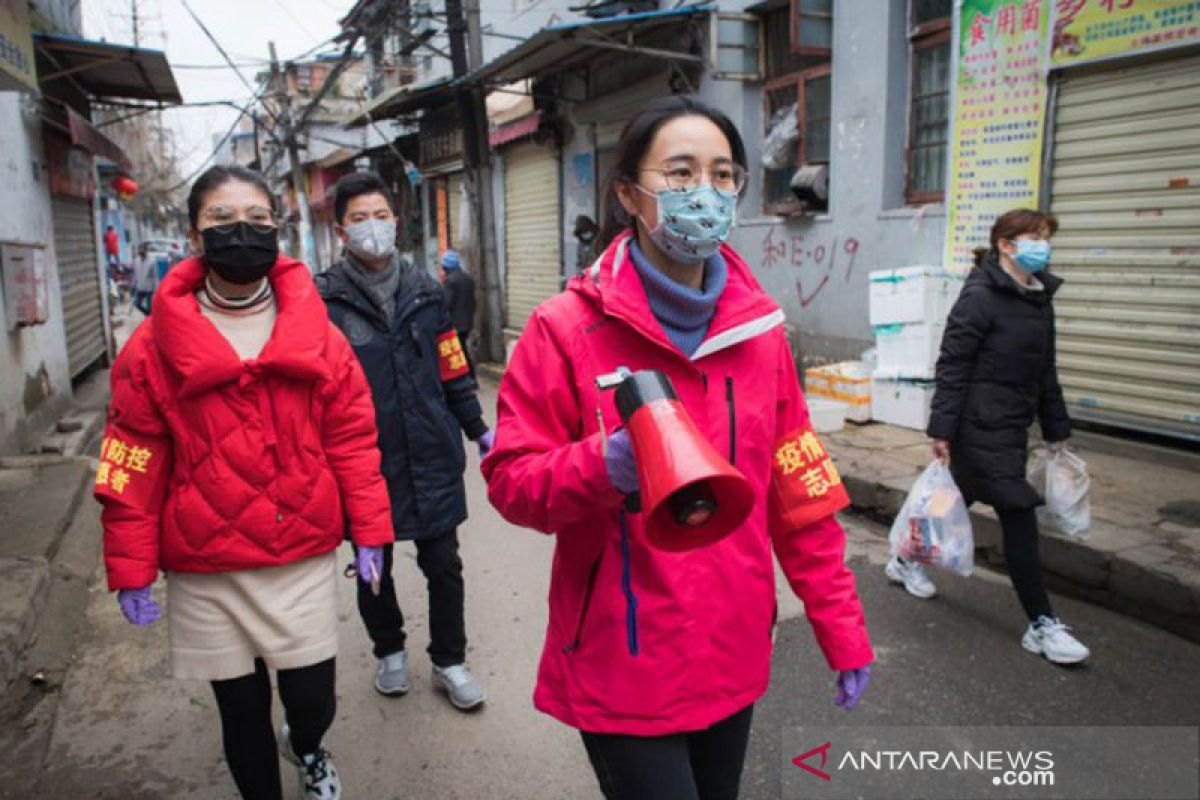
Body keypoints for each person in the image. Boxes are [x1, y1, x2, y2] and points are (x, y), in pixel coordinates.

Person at [481, 96, 874, 800]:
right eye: (682, 172)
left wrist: (840, 626)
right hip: (620, 658)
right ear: (630, 194)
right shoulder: (564, 329)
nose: (706, 193)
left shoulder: (760, 335)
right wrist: (603, 465)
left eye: (723, 176)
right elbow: (512, 482)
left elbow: (801, 494)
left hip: (731, 652)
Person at [94, 164, 393, 800]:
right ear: (194, 235)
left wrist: (371, 531)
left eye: (258, 221)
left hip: (301, 552)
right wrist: (129, 565)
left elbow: (352, 439)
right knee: (241, 713)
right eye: (222, 222)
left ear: (277, 230)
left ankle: (308, 747)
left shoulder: (319, 332)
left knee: (313, 699)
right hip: (208, 567)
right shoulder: (151, 347)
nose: (242, 235)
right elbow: (132, 456)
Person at [316, 171, 492, 711]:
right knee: (374, 568)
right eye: (360, 219)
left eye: (381, 216)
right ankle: (389, 650)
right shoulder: (323, 301)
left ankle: (449, 659)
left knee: (444, 563)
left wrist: (478, 429)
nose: (374, 228)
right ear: (342, 232)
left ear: (396, 221)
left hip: (432, 453)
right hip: (365, 463)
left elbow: (453, 367)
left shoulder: (427, 292)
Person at [902, 208, 1090, 666]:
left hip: (1012, 425)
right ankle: (1041, 623)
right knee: (1018, 510)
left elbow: (1045, 370)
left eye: (1046, 238)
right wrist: (942, 429)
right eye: (1033, 237)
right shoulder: (979, 297)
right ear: (1005, 244)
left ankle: (906, 557)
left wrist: (1056, 429)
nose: (1042, 246)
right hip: (978, 423)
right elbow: (953, 365)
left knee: (955, 497)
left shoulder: (1040, 297)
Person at [440, 248, 477, 383]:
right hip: (467, 321)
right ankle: (470, 377)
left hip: (455, 323)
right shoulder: (468, 279)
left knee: (458, 351)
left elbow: (446, 303)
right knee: (462, 349)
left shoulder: (450, 281)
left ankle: (468, 378)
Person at [132, 243, 157, 315]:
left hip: (149, 288)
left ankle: (149, 318)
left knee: (150, 307)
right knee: (137, 304)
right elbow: (135, 274)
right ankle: (148, 315)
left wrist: (156, 289)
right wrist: (133, 285)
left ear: (146, 252)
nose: (142, 255)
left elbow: (155, 276)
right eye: (140, 253)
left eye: (143, 253)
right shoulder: (136, 261)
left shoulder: (152, 261)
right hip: (140, 287)